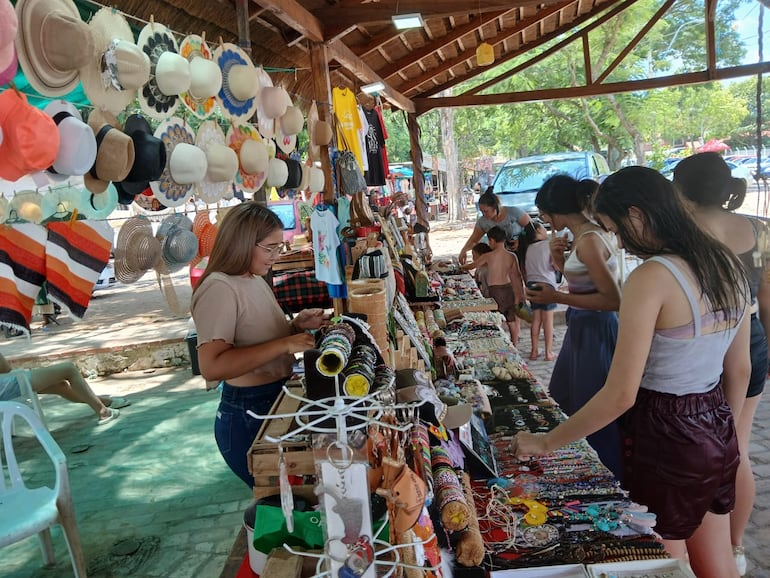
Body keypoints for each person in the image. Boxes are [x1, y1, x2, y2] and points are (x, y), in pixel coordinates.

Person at [513, 167, 750, 578]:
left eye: (615, 229)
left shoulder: (653, 277)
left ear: (637, 215)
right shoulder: (724, 261)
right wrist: (719, 434)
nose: (618, 241)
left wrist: (546, 441)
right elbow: (740, 367)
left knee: (665, 560)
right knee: (717, 560)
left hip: (666, 432)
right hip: (715, 421)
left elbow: (620, 393)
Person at [673, 152, 769, 576]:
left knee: (706, 451)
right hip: (754, 339)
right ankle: (733, 548)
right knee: (738, 449)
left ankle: (704, 549)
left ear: (681, 191)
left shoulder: (684, 234)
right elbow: (765, 299)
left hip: (707, 345)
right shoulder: (759, 229)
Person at [191, 202, 329, 488]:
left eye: (279, 248)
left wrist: (295, 327)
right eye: (270, 248)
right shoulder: (219, 287)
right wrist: (285, 344)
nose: (276, 256)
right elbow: (212, 366)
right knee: (278, 505)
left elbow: (256, 338)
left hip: (273, 399)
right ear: (242, 241)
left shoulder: (251, 278)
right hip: (249, 412)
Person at [525, 175, 622, 479]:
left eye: (545, 215)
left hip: (596, 327)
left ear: (556, 212)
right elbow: (581, 280)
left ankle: (603, 475)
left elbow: (612, 299)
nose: (545, 221)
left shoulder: (591, 240)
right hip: (582, 325)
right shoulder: (581, 236)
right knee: (564, 397)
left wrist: (555, 296)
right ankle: (578, 464)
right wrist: (558, 259)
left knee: (592, 410)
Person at [0, 352, 127, 424]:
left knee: (61, 386)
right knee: (69, 369)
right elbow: (6, 370)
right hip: (10, 385)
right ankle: (102, 411)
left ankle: (103, 402)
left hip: (7, 387)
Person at [462, 227, 525, 344]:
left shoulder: (489, 256)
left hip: (495, 291)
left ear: (492, 240)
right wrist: (519, 294)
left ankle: (499, 342)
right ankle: (514, 344)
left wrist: (462, 267)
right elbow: (517, 276)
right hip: (509, 288)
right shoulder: (512, 256)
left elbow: (472, 265)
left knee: (495, 319)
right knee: (511, 320)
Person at [458, 191, 534, 266]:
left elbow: (532, 228)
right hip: (500, 258)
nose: (484, 214)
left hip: (522, 253)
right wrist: (463, 251)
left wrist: (521, 240)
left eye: (486, 211)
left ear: (495, 207)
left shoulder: (514, 212)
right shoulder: (483, 222)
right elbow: (473, 240)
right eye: (481, 211)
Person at [524, 220, 557, 361]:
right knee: (548, 320)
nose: (545, 230)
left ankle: (534, 351)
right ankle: (548, 352)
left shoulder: (528, 248)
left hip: (532, 285)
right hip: (546, 285)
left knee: (536, 319)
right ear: (537, 231)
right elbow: (555, 265)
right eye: (543, 228)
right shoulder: (548, 245)